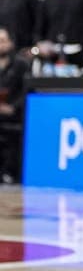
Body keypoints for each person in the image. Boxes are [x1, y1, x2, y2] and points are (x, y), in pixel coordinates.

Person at [0, 27, 28, 183]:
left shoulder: (21, 65)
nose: (1, 45)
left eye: (3, 41)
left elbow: (27, 92)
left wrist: (13, 108)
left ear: (10, 43)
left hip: (14, 113)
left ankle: (9, 172)